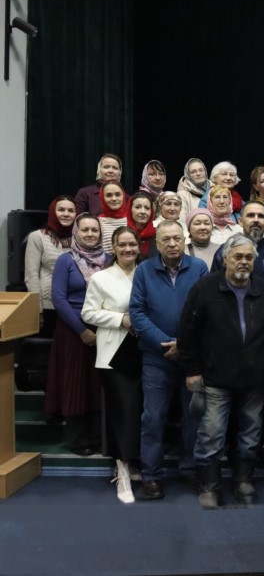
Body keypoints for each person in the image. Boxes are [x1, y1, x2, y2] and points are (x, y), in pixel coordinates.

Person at [180, 234, 264, 509]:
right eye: (238, 257)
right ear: (225, 259)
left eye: (249, 257)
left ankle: (243, 480)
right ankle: (210, 486)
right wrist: (192, 371)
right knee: (211, 435)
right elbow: (187, 332)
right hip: (214, 378)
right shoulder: (204, 289)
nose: (243, 262)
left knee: (251, 434)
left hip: (254, 380)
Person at [129, 220, 209, 500]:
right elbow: (137, 312)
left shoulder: (199, 268)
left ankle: (190, 469)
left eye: (177, 238)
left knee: (193, 417)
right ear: (157, 244)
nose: (172, 244)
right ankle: (151, 476)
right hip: (156, 358)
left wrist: (183, 345)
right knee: (153, 418)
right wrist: (165, 343)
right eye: (166, 240)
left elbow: (205, 310)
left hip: (191, 360)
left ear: (184, 240)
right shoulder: (144, 270)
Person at [81, 226, 144, 504]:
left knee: (142, 411)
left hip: (144, 351)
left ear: (139, 247)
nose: (128, 249)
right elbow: (88, 313)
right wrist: (121, 319)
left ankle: (134, 462)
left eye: (132, 244)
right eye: (122, 245)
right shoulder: (101, 278)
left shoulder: (147, 273)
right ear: (114, 248)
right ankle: (122, 471)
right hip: (115, 352)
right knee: (123, 412)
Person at [45, 213, 106, 456]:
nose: (90, 234)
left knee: (97, 384)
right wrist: (82, 331)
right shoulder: (66, 260)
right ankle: (78, 440)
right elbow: (59, 299)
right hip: (73, 329)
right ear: (76, 233)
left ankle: (99, 437)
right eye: (85, 230)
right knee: (76, 384)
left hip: (103, 328)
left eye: (94, 230)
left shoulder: (109, 259)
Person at [210, 200, 264, 292]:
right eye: (251, 215)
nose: (256, 220)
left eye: (261, 216)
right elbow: (213, 287)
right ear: (240, 221)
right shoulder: (225, 251)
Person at [24, 195, 76, 336]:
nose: (66, 214)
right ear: (53, 212)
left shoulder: (80, 237)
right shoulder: (37, 237)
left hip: (75, 307)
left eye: (71, 210)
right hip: (48, 308)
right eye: (61, 210)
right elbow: (31, 276)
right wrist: (38, 309)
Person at [98, 180, 129, 252]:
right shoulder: (97, 222)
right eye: (109, 195)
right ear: (102, 197)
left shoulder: (132, 219)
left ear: (123, 195)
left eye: (118, 194)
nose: (114, 199)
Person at [127, 192, 157, 257]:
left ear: (151, 211)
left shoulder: (158, 234)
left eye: (147, 208)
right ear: (130, 209)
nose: (143, 212)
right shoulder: (123, 234)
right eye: (138, 207)